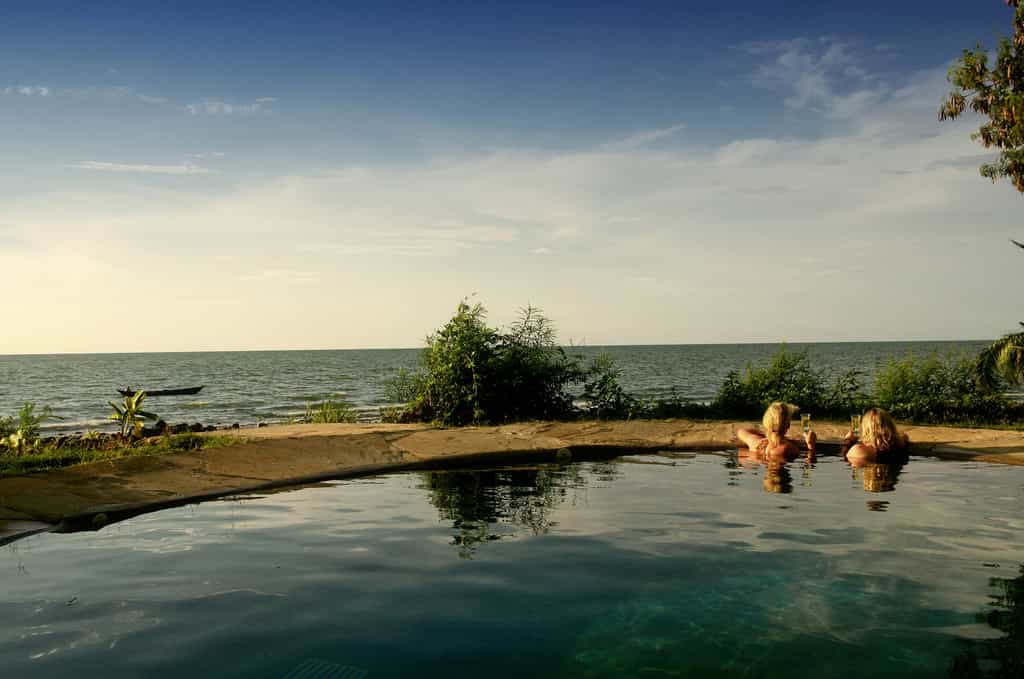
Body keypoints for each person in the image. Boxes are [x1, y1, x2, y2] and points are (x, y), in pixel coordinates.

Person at [736, 401, 816, 460]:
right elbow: (808, 464)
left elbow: (741, 431)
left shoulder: (756, 443)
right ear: (788, 425)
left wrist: (765, 434)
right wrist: (810, 445)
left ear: (766, 423)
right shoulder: (789, 448)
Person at [844, 407, 909, 464]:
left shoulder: (859, 450)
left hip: (871, 475)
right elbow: (904, 436)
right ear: (890, 425)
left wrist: (848, 441)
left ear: (866, 429)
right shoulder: (900, 445)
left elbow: (846, 458)